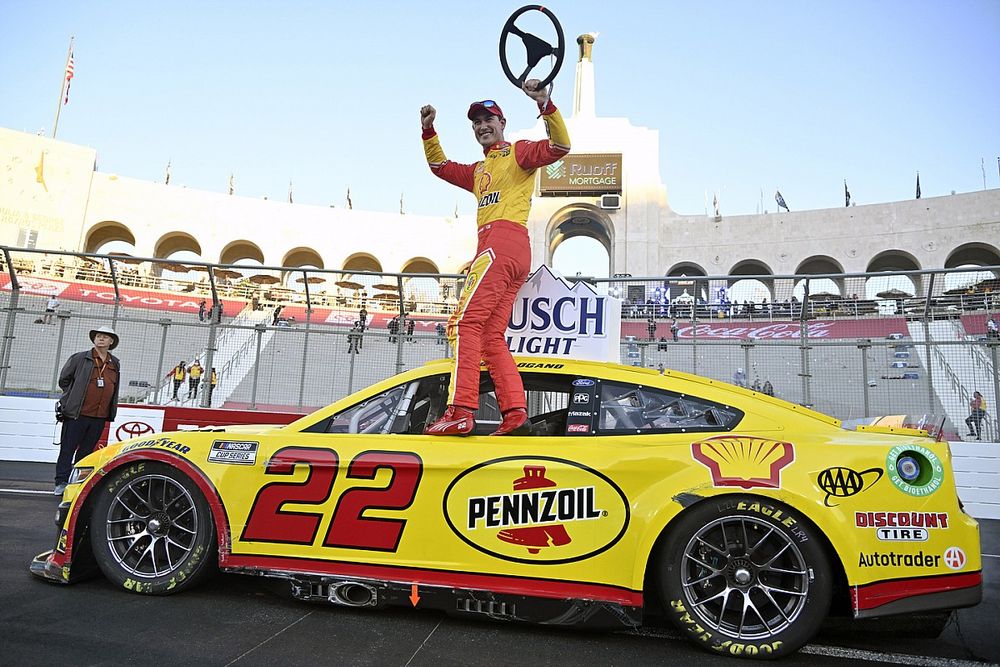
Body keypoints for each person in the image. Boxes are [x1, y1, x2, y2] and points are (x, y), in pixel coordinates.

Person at [419, 79, 570, 436]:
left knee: (462, 325)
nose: (482, 126)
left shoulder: (517, 153)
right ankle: (516, 413)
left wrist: (545, 104)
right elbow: (440, 167)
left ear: (503, 123)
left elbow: (560, 145)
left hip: (499, 245)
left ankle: (460, 409)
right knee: (489, 337)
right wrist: (428, 132)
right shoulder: (478, 171)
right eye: (476, 122)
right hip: (513, 250)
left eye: (489, 119)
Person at [53, 326, 122, 495]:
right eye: (98, 336)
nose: (101, 339)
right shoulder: (79, 358)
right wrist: (72, 397)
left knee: (86, 451)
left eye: (105, 337)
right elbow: (64, 380)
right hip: (77, 414)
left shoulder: (114, 363)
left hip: (99, 416)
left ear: (111, 342)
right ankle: (61, 482)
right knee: (67, 449)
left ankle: (78, 483)